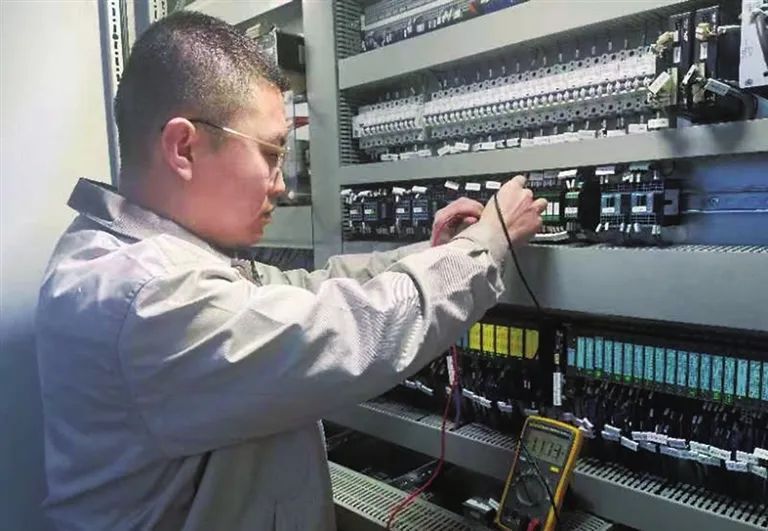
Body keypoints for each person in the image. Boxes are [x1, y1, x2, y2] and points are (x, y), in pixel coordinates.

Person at [35, 11, 547, 531]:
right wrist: (485, 245)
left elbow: (308, 290)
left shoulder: (150, 258)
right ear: (184, 148)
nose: (281, 184)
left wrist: (441, 251)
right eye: (270, 152)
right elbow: (347, 330)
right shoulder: (147, 294)